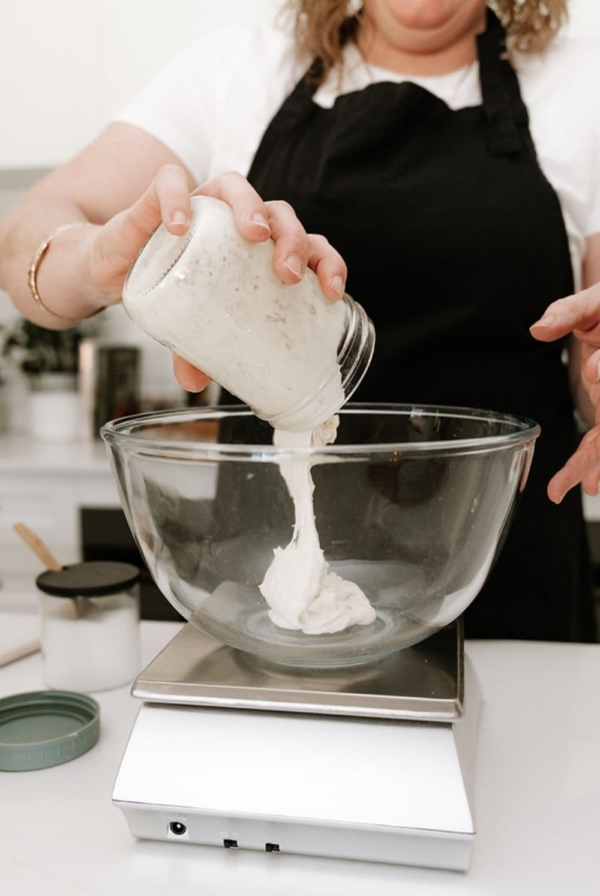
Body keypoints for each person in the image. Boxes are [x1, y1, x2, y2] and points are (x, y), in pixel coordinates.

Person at [0, 0, 599, 641]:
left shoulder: (580, 84)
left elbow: (586, 369)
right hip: (265, 591)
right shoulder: (237, 70)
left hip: (504, 585)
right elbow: (21, 245)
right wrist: (97, 262)